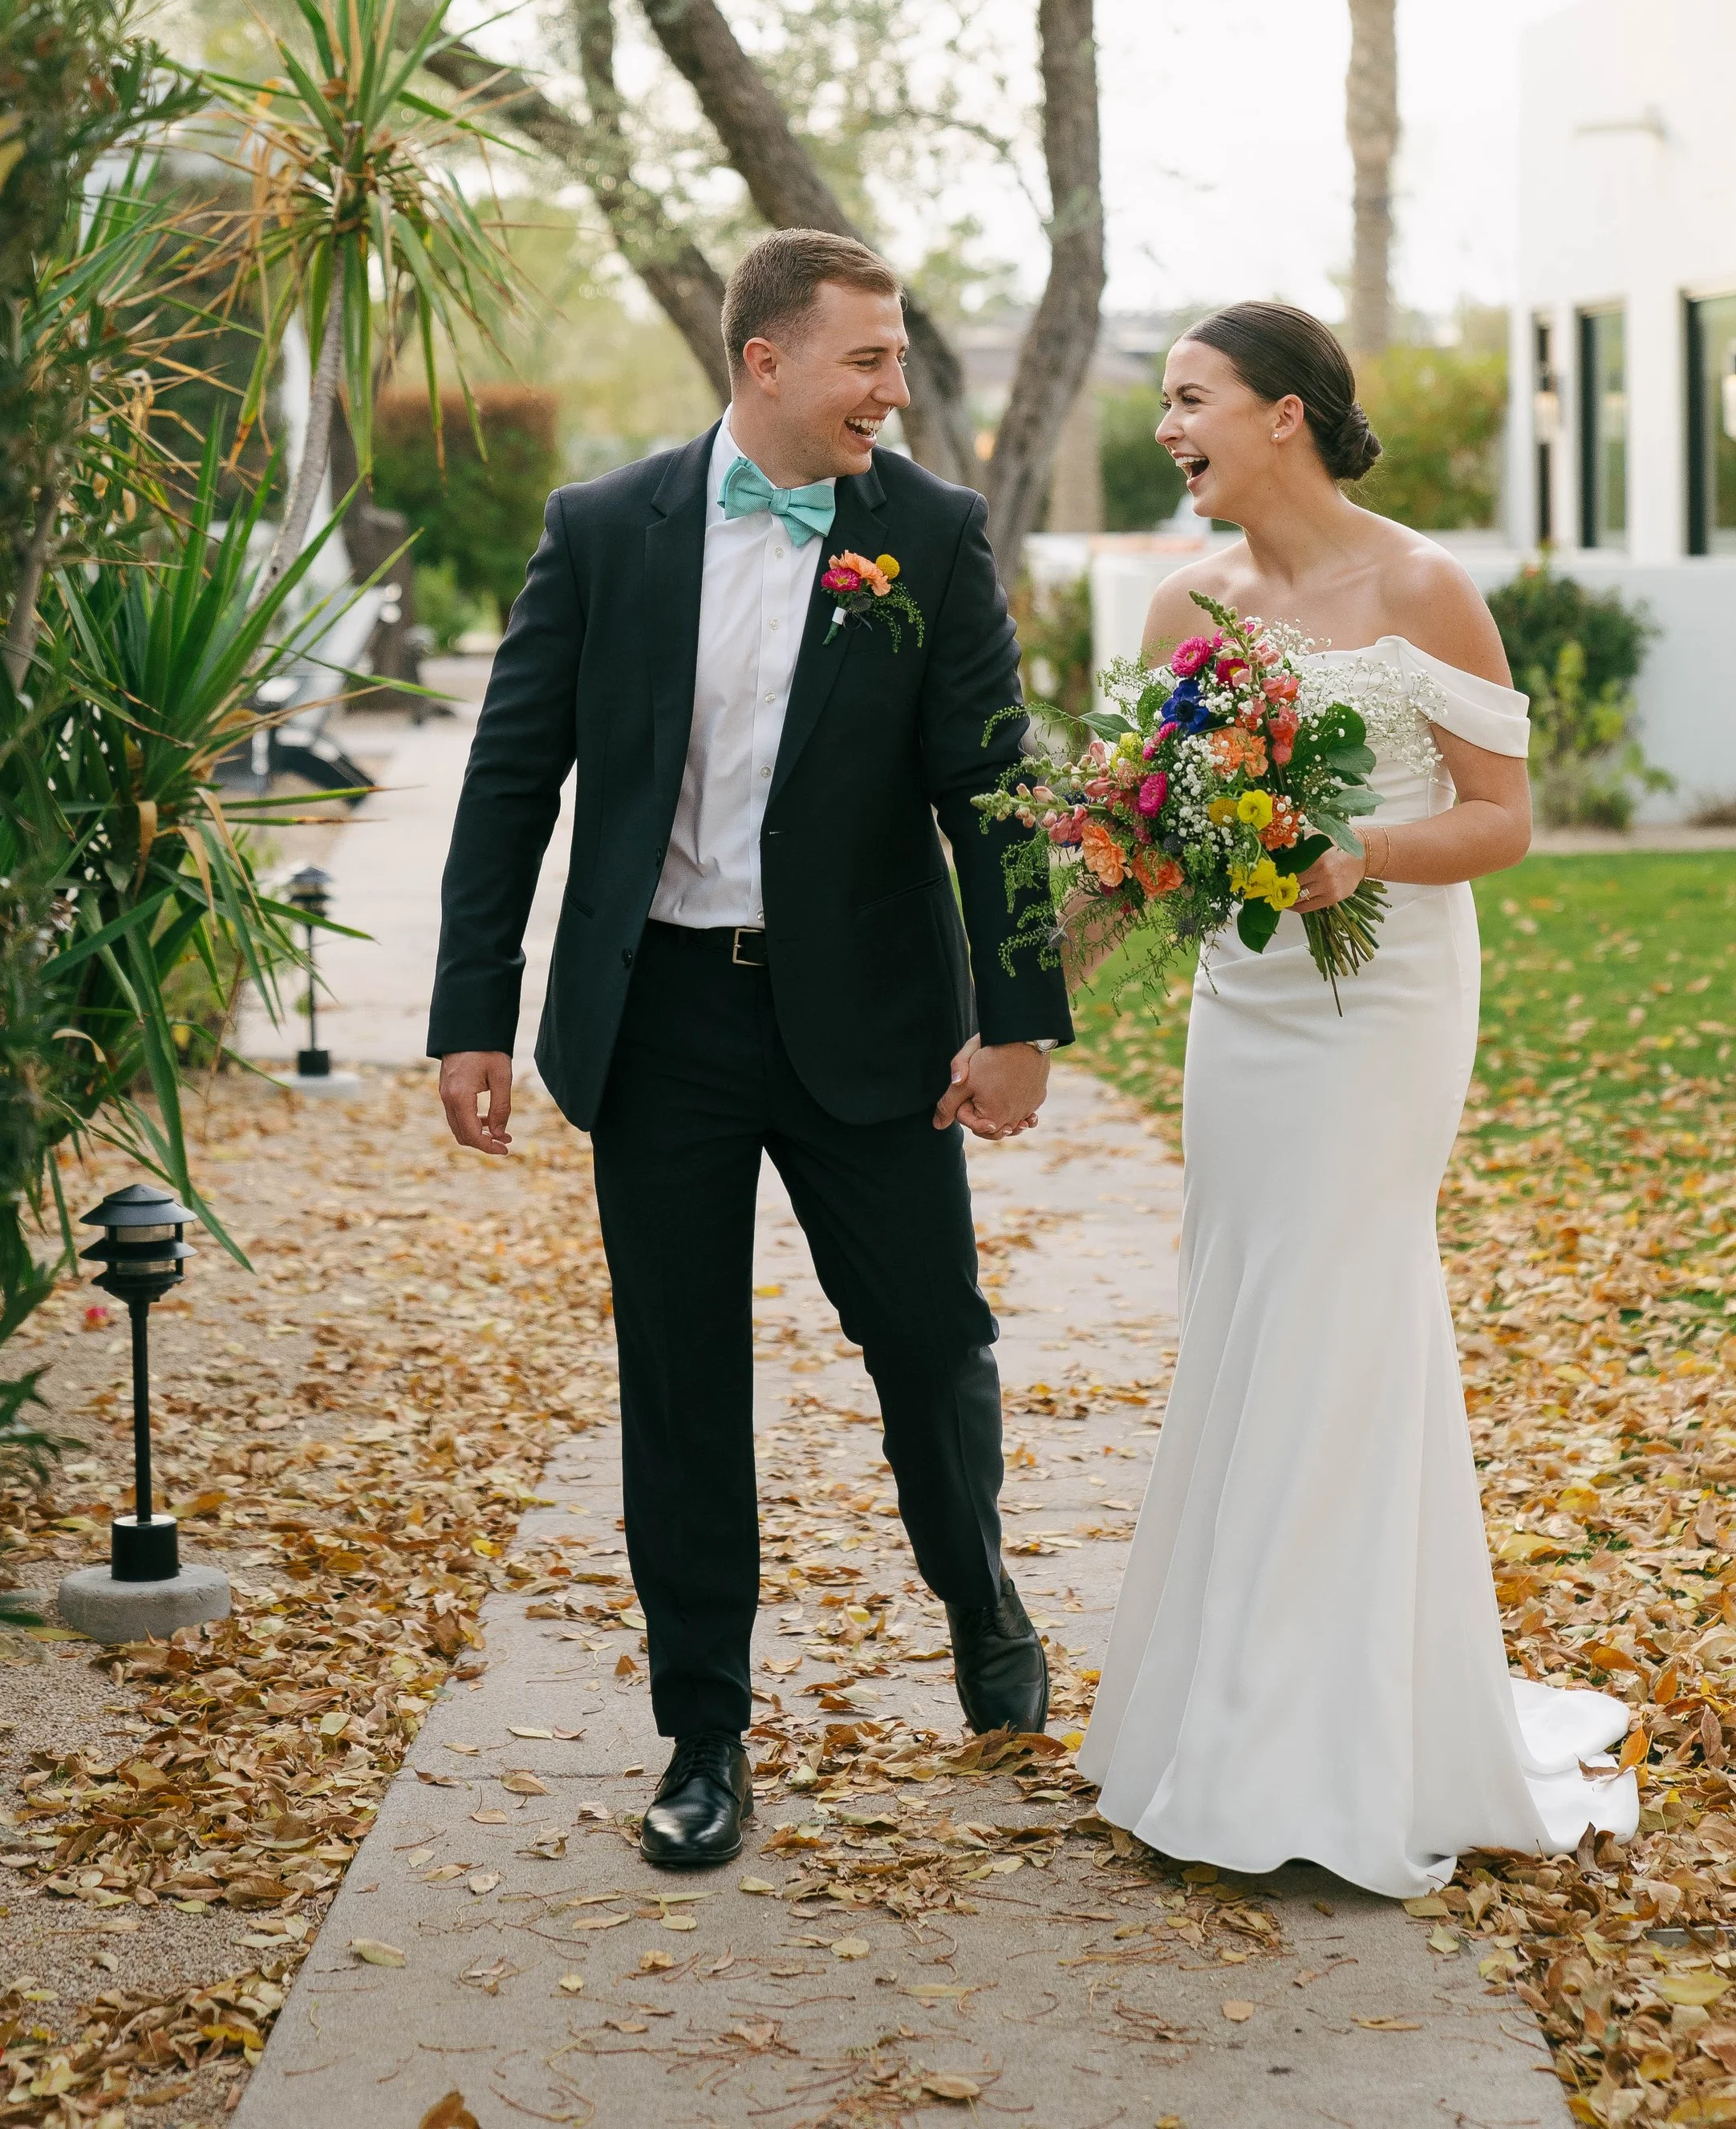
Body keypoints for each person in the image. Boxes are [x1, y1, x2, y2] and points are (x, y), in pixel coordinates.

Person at [427, 230, 1073, 1871]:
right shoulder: (601, 532)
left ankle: (973, 1586)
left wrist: (1016, 1018)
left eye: (898, 362)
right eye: (866, 360)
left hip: (866, 1018)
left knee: (928, 1338)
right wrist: (469, 1017)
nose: (894, 387)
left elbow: (988, 789)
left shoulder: (924, 534)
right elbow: (512, 783)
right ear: (765, 363)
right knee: (681, 1380)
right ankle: (701, 1734)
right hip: (661, 1021)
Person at [1077, 301, 1637, 1895]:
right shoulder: (1176, 603)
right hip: (1242, 1007)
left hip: (1382, 1000)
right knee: (1248, 1311)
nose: (1167, 428)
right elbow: (1144, 833)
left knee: (1340, 1312)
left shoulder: (1420, 588)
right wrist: (1037, 971)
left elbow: (1500, 818)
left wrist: (1353, 856)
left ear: (1282, 416)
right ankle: (1230, 1715)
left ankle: (1314, 1751)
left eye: (1189, 400)